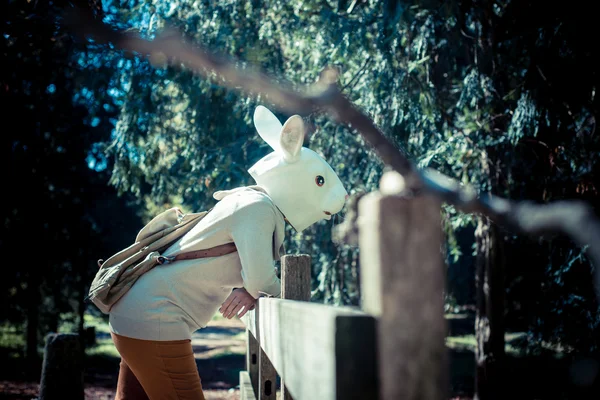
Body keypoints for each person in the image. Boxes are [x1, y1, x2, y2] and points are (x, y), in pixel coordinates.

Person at [108, 106, 348, 399]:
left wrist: (253, 288)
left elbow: (253, 279)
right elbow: (261, 280)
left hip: (137, 313)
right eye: (319, 181)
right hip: (155, 318)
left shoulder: (249, 201)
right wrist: (257, 288)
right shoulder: (258, 209)